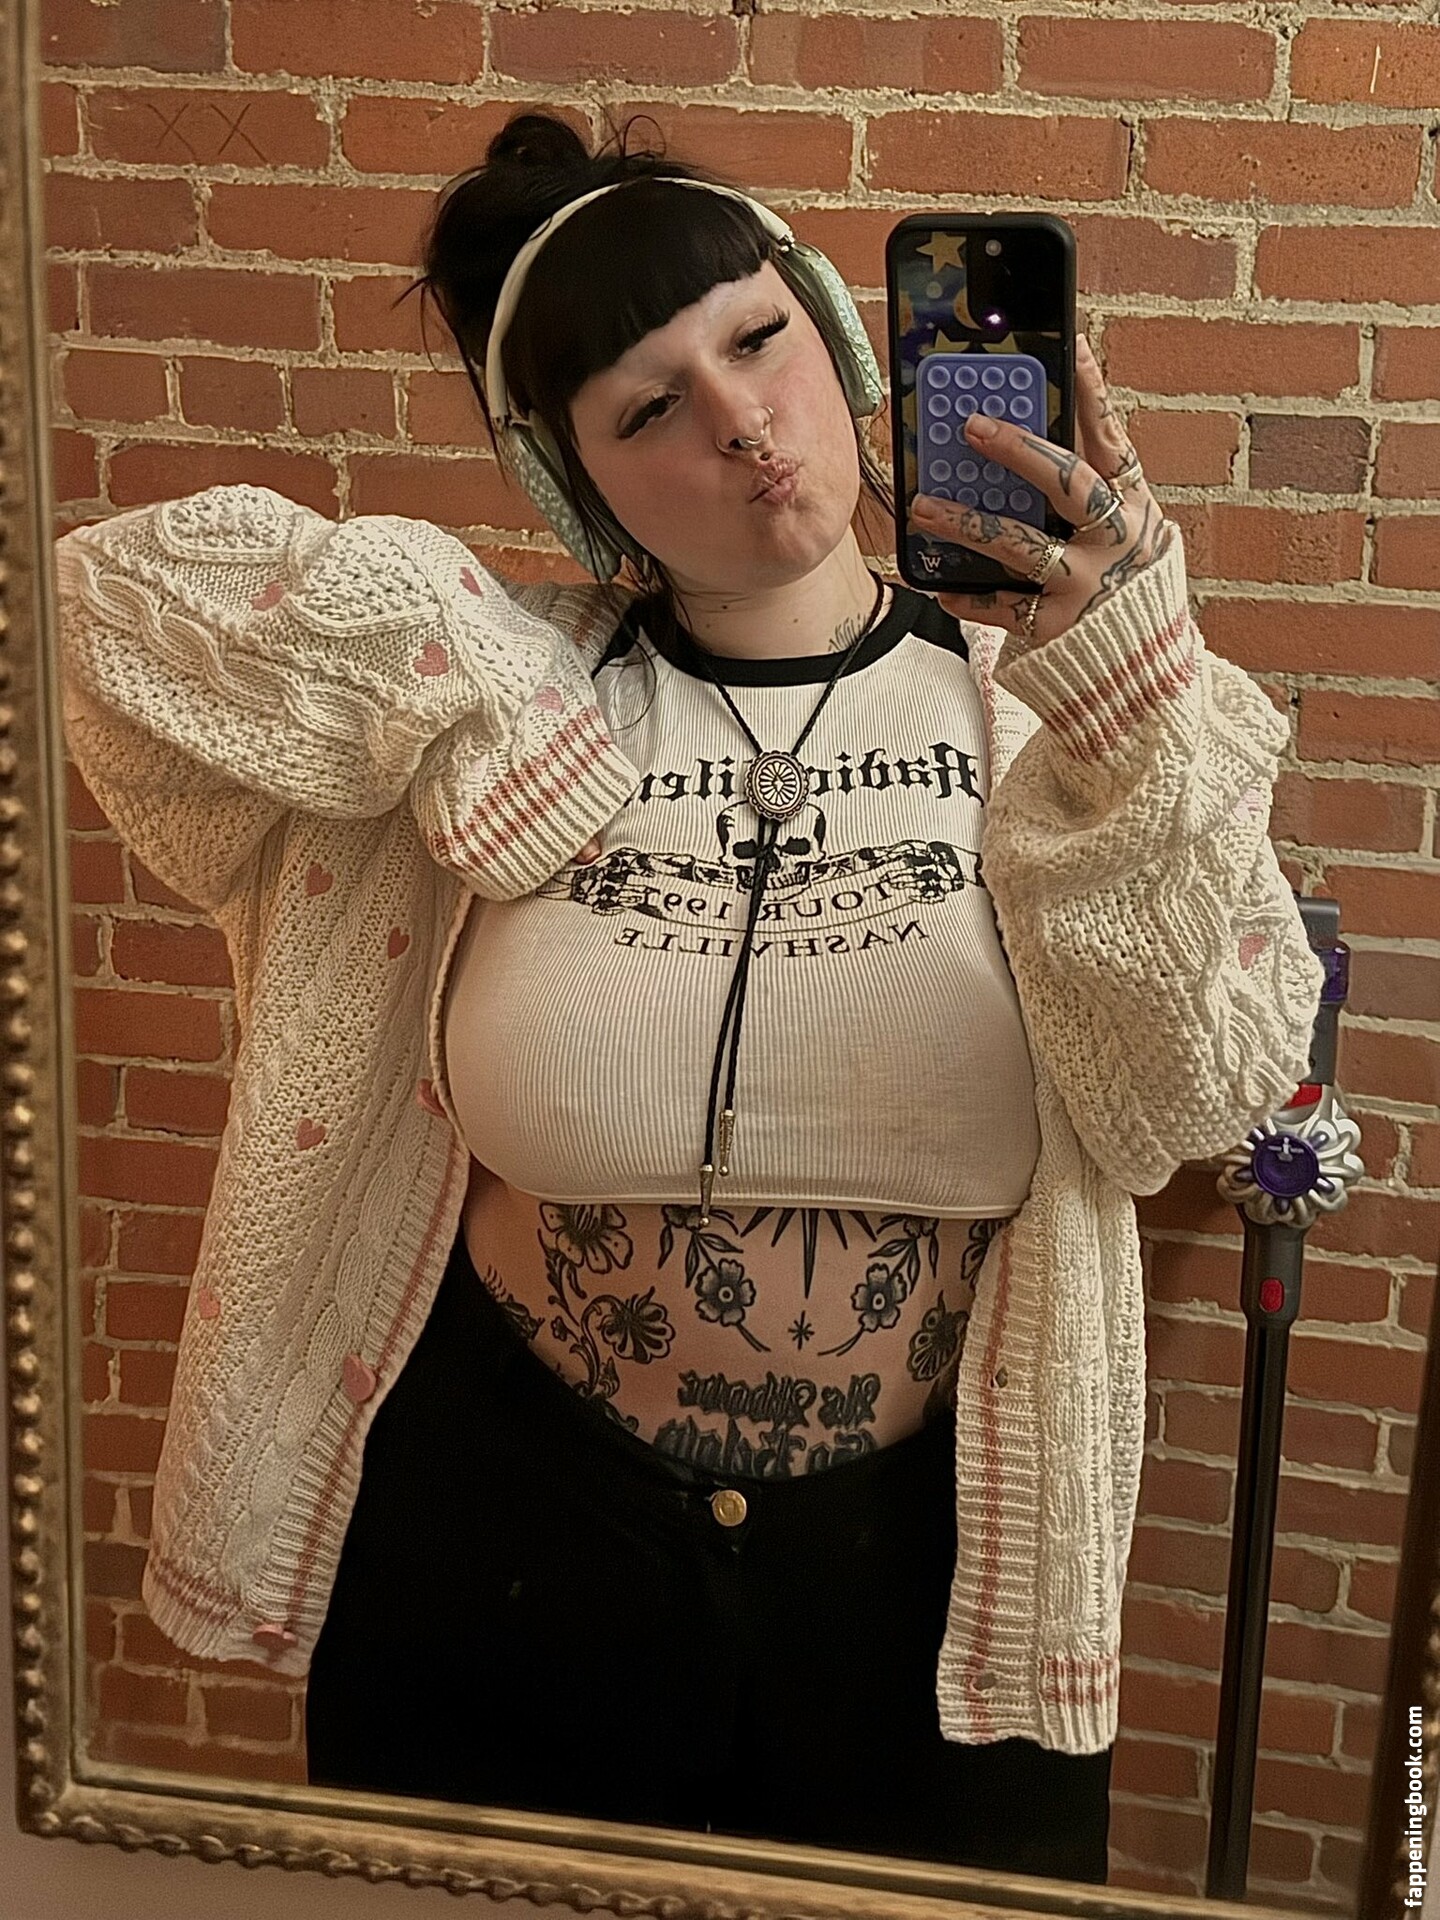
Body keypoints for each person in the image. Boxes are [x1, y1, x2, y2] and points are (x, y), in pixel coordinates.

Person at [52, 112, 1325, 1883]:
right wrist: (473, 666)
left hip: (923, 1590)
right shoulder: (490, 709)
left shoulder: (1059, 716)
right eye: (648, 406)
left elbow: (1195, 1095)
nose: (739, 421)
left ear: (845, 345)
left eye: (757, 340)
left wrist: (1135, 714)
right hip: (498, 1553)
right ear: (572, 483)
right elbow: (101, 603)